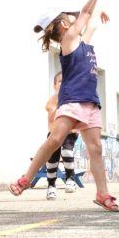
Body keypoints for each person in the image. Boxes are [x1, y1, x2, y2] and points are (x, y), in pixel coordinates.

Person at [9, 0, 119, 212]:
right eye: (70, 17)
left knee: (96, 148)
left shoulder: (81, 42)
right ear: (66, 26)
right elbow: (86, 14)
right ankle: (26, 179)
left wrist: (100, 11)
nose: (76, 17)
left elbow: (90, 21)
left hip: (90, 103)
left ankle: (103, 194)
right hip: (72, 100)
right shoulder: (68, 40)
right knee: (55, 140)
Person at [45, 71, 78, 200]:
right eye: (60, 82)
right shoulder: (52, 101)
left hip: (70, 133)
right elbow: (51, 117)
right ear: (55, 86)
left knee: (67, 152)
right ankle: (51, 186)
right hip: (53, 133)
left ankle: (70, 178)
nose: (63, 84)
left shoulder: (73, 98)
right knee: (51, 160)